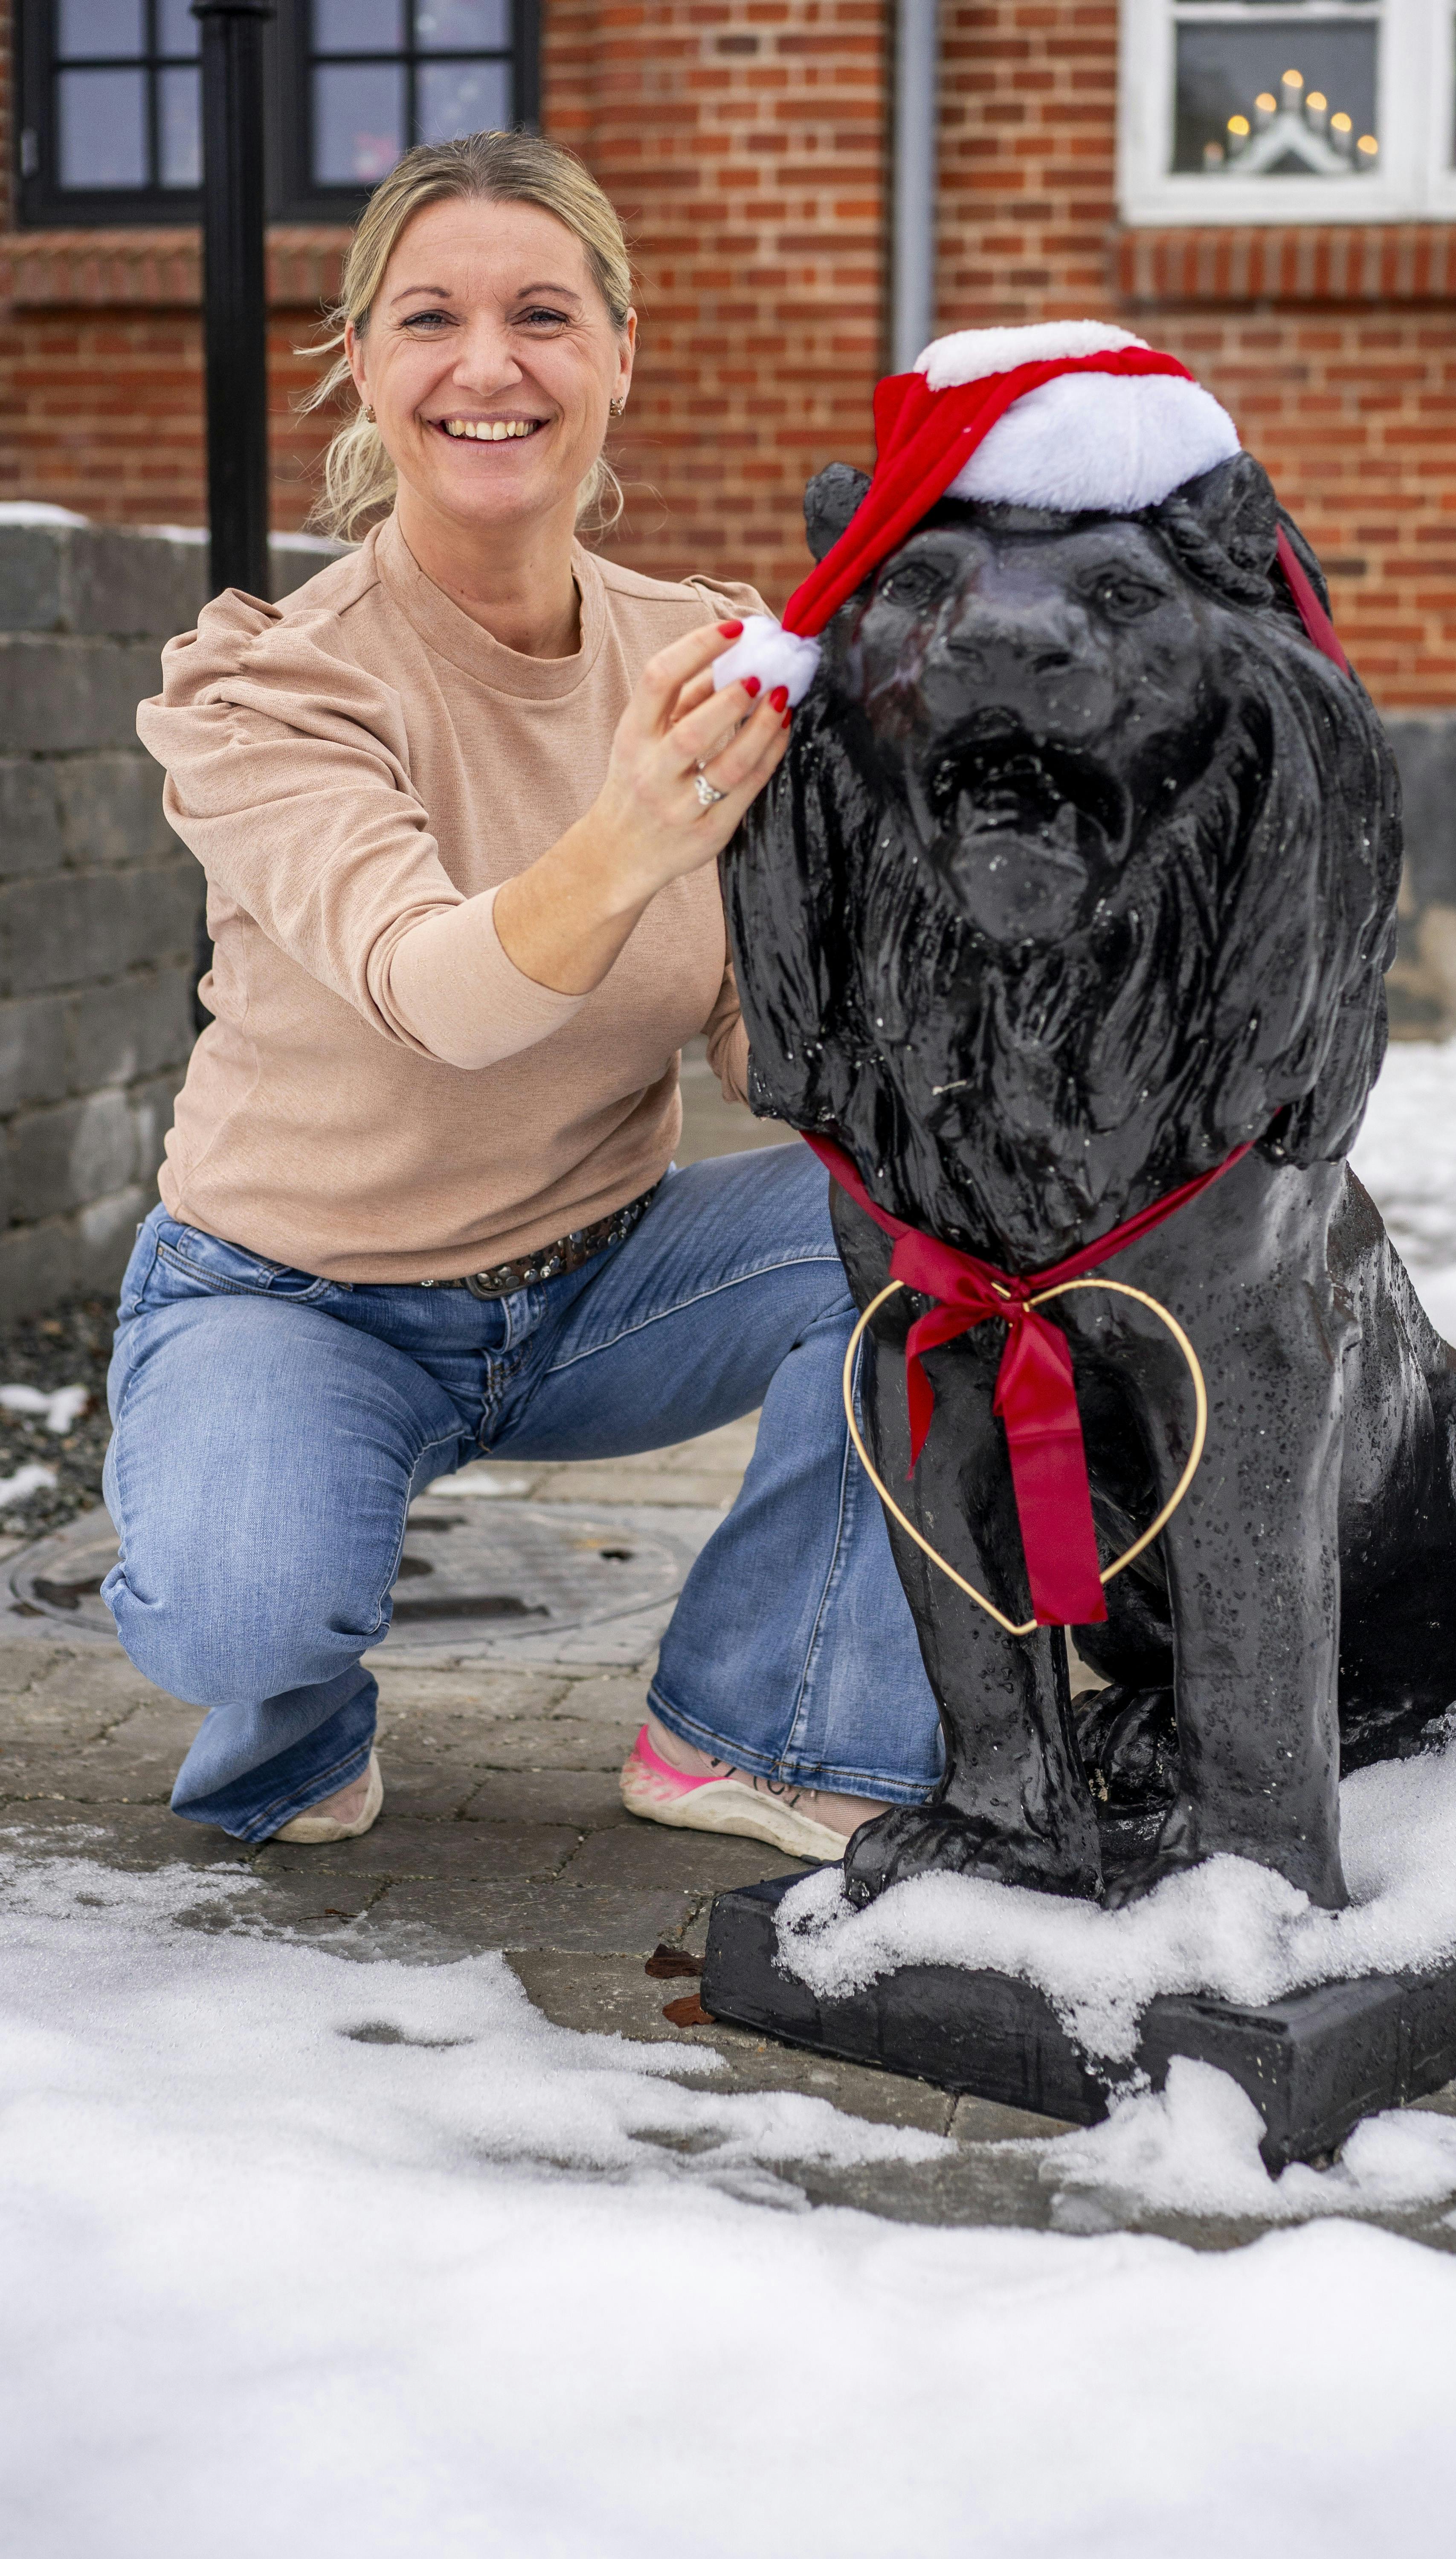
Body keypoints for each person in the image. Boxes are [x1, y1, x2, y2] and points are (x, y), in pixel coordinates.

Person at [116, 129, 941, 1855]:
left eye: (544, 316)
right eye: (430, 319)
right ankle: (295, 1715)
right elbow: (441, 992)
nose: (489, 366)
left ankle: (751, 1722)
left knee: (947, 1235)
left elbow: (761, 1027)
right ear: (359, 364)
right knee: (243, 1608)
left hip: (604, 1280)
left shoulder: (702, 656)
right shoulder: (273, 681)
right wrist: (637, 828)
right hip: (303, 1295)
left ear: (619, 356)